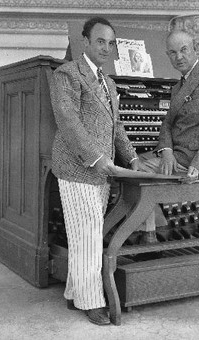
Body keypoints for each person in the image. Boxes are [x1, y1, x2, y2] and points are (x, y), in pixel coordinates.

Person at [49, 17, 139, 326]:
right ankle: (92, 302)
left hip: (101, 172)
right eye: (100, 41)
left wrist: (133, 159)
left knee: (83, 235)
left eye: (111, 42)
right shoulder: (68, 73)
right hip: (77, 168)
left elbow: (117, 129)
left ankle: (76, 292)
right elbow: (68, 121)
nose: (106, 47)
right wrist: (96, 158)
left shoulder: (108, 81)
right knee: (87, 236)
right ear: (85, 42)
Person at [141, 29, 199, 180]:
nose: (179, 57)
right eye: (173, 52)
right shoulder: (178, 87)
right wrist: (167, 151)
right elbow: (168, 124)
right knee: (131, 162)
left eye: (183, 50)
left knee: (136, 172)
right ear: (168, 55)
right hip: (177, 155)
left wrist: (198, 165)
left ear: (195, 48)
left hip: (197, 161)